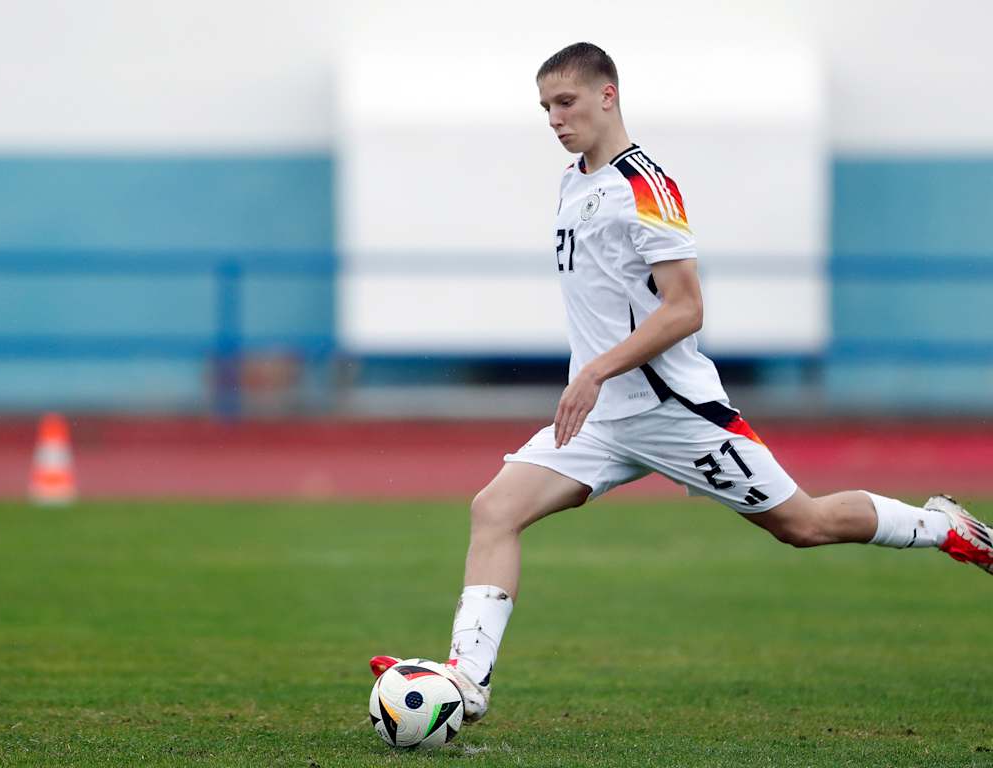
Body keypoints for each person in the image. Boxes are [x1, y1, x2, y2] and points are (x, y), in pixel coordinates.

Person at [369, 41, 993, 724]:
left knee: (804, 524)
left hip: (674, 412)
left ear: (608, 95)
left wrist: (597, 369)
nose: (554, 118)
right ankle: (468, 681)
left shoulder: (647, 187)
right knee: (494, 510)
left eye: (566, 102)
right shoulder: (572, 181)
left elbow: (686, 308)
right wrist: (596, 379)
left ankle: (945, 527)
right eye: (545, 107)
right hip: (602, 419)